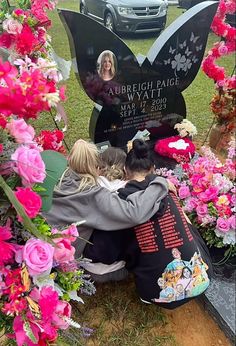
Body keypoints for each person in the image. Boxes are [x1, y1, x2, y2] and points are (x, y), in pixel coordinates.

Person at [117, 139, 212, 309]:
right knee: (186, 223)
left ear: (125, 170)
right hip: (204, 279)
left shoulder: (124, 202)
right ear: (153, 168)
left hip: (154, 293)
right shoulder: (168, 189)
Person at [43, 139, 169, 259]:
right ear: (97, 169)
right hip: (60, 260)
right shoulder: (92, 195)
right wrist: (160, 183)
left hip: (39, 247)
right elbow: (133, 213)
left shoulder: (57, 181)